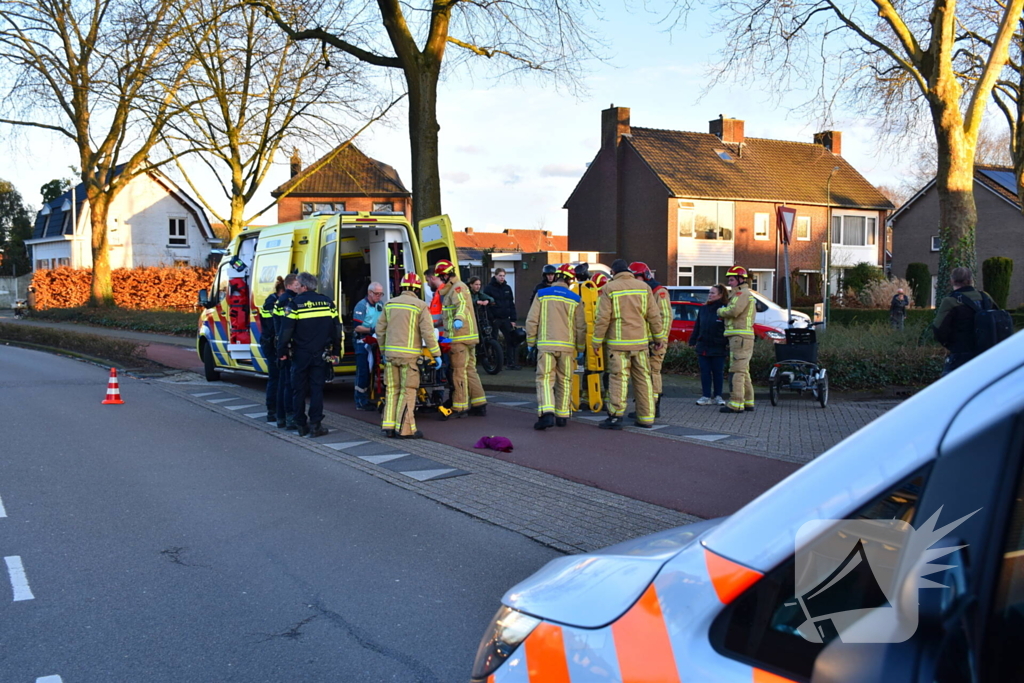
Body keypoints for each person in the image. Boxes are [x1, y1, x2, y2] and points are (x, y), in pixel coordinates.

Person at [591, 259, 665, 430]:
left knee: (618, 379)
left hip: (618, 344)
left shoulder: (609, 288)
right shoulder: (644, 287)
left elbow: (603, 318)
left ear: (613, 273)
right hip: (640, 344)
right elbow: (654, 316)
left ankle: (616, 417)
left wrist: (596, 341)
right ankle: (646, 417)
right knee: (644, 380)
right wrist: (659, 339)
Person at [277, 272, 342, 438]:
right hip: (321, 353)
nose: (296, 286)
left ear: (305, 286)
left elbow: (286, 330)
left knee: (298, 389)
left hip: (300, 354)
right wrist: (336, 350)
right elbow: (336, 328)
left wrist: (282, 351)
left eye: (298, 284)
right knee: (317, 389)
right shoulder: (327, 302)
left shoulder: (295, 304)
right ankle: (316, 425)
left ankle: (300, 424)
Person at [376, 273, 442, 439]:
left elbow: (380, 330)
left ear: (402, 287)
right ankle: (404, 430)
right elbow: (428, 333)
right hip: (409, 358)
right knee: (408, 391)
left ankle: (388, 426)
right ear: (418, 289)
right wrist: (436, 354)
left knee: (392, 390)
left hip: (391, 356)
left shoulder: (389, 304)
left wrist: (384, 351)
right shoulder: (420, 306)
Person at [526, 263, 587, 430]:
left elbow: (532, 321)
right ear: (570, 280)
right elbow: (581, 327)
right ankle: (562, 415)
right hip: (567, 348)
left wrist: (531, 343)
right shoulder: (575, 298)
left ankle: (547, 413)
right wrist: (580, 349)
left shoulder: (542, 294)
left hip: (546, 346)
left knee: (545, 379)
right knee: (565, 380)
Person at [435, 259, 487, 417]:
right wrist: (437, 323)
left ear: (447, 275)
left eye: (441, 276)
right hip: (467, 337)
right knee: (470, 370)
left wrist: (458, 319)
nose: (440, 279)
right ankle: (479, 403)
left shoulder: (457, 288)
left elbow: (462, 306)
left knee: (458, 372)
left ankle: (460, 407)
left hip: (459, 337)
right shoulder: (454, 289)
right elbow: (451, 312)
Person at [933, 267, 997, 375]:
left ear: (952, 280)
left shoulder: (950, 301)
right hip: (987, 353)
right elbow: (998, 319)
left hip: (961, 354)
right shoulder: (986, 297)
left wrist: (950, 344)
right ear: (971, 280)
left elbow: (938, 328)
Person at [628, 261, 671, 418]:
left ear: (644, 276)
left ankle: (653, 407)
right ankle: (645, 407)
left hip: (655, 343)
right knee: (643, 375)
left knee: (653, 373)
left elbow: (665, 317)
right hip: (643, 342)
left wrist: (659, 340)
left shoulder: (659, 292)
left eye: (636, 277)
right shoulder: (640, 293)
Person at [717, 266, 756, 414]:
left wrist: (720, 311)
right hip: (741, 337)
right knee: (743, 370)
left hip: (739, 337)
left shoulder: (741, 294)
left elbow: (734, 311)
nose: (730, 282)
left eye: (732, 279)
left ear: (740, 279)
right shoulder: (742, 293)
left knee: (736, 371)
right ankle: (748, 401)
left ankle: (736, 403)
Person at [689, 284, 729, 406]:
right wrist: (693, 340)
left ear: (720, 295)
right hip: (704, 345)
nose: (710, 295)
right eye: (709, 293)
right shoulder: (704, 309)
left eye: (713, 293)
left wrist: (725, 342)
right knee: (705, 372)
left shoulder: (725, 309)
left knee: (718, 372)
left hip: (718, 345)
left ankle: (718, 396)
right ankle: (706, 396)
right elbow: (698, 326)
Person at [272, 273, 301, 430]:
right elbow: (286, 327)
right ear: (289, 285)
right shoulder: (288, 301)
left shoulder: (282, 300)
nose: (299, 287)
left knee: (284, 382)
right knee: (289, 383)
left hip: (283, 345)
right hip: (288, 346)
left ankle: (281, 417)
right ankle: (289, 417)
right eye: (297, 285)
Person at [352, 282, 385, 410]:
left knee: (372, 371)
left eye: (381, 294)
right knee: (363, 371)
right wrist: (372, 329)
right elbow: (357, 327)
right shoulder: (361, 306)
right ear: (369, 292)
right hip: (362, 341)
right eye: (377, 294)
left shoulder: (380, 305)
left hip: (375, 340)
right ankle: (360, 401)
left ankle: (367, 397)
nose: (379, 297)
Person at [484, 268, 521, 370]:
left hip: (506, 319)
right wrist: (492, 318)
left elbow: (511, 304)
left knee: (511, 340)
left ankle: (511, 363)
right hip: (495, 319)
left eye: (503, 276)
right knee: (494, 341)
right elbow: (486, 306)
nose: (502, 278)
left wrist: (513, 319)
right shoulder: (489, 288)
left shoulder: (507, 288)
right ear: (495, 276)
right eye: (500, 275)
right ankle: (496, 363)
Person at [261, 276, 286, 422]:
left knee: (278, 378)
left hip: (272, 343)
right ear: (281, 291)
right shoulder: (271, 303)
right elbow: (274, 326)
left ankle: (277, 409)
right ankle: (272, 410)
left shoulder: (274, 301)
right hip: (271, 345)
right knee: (275, 378)